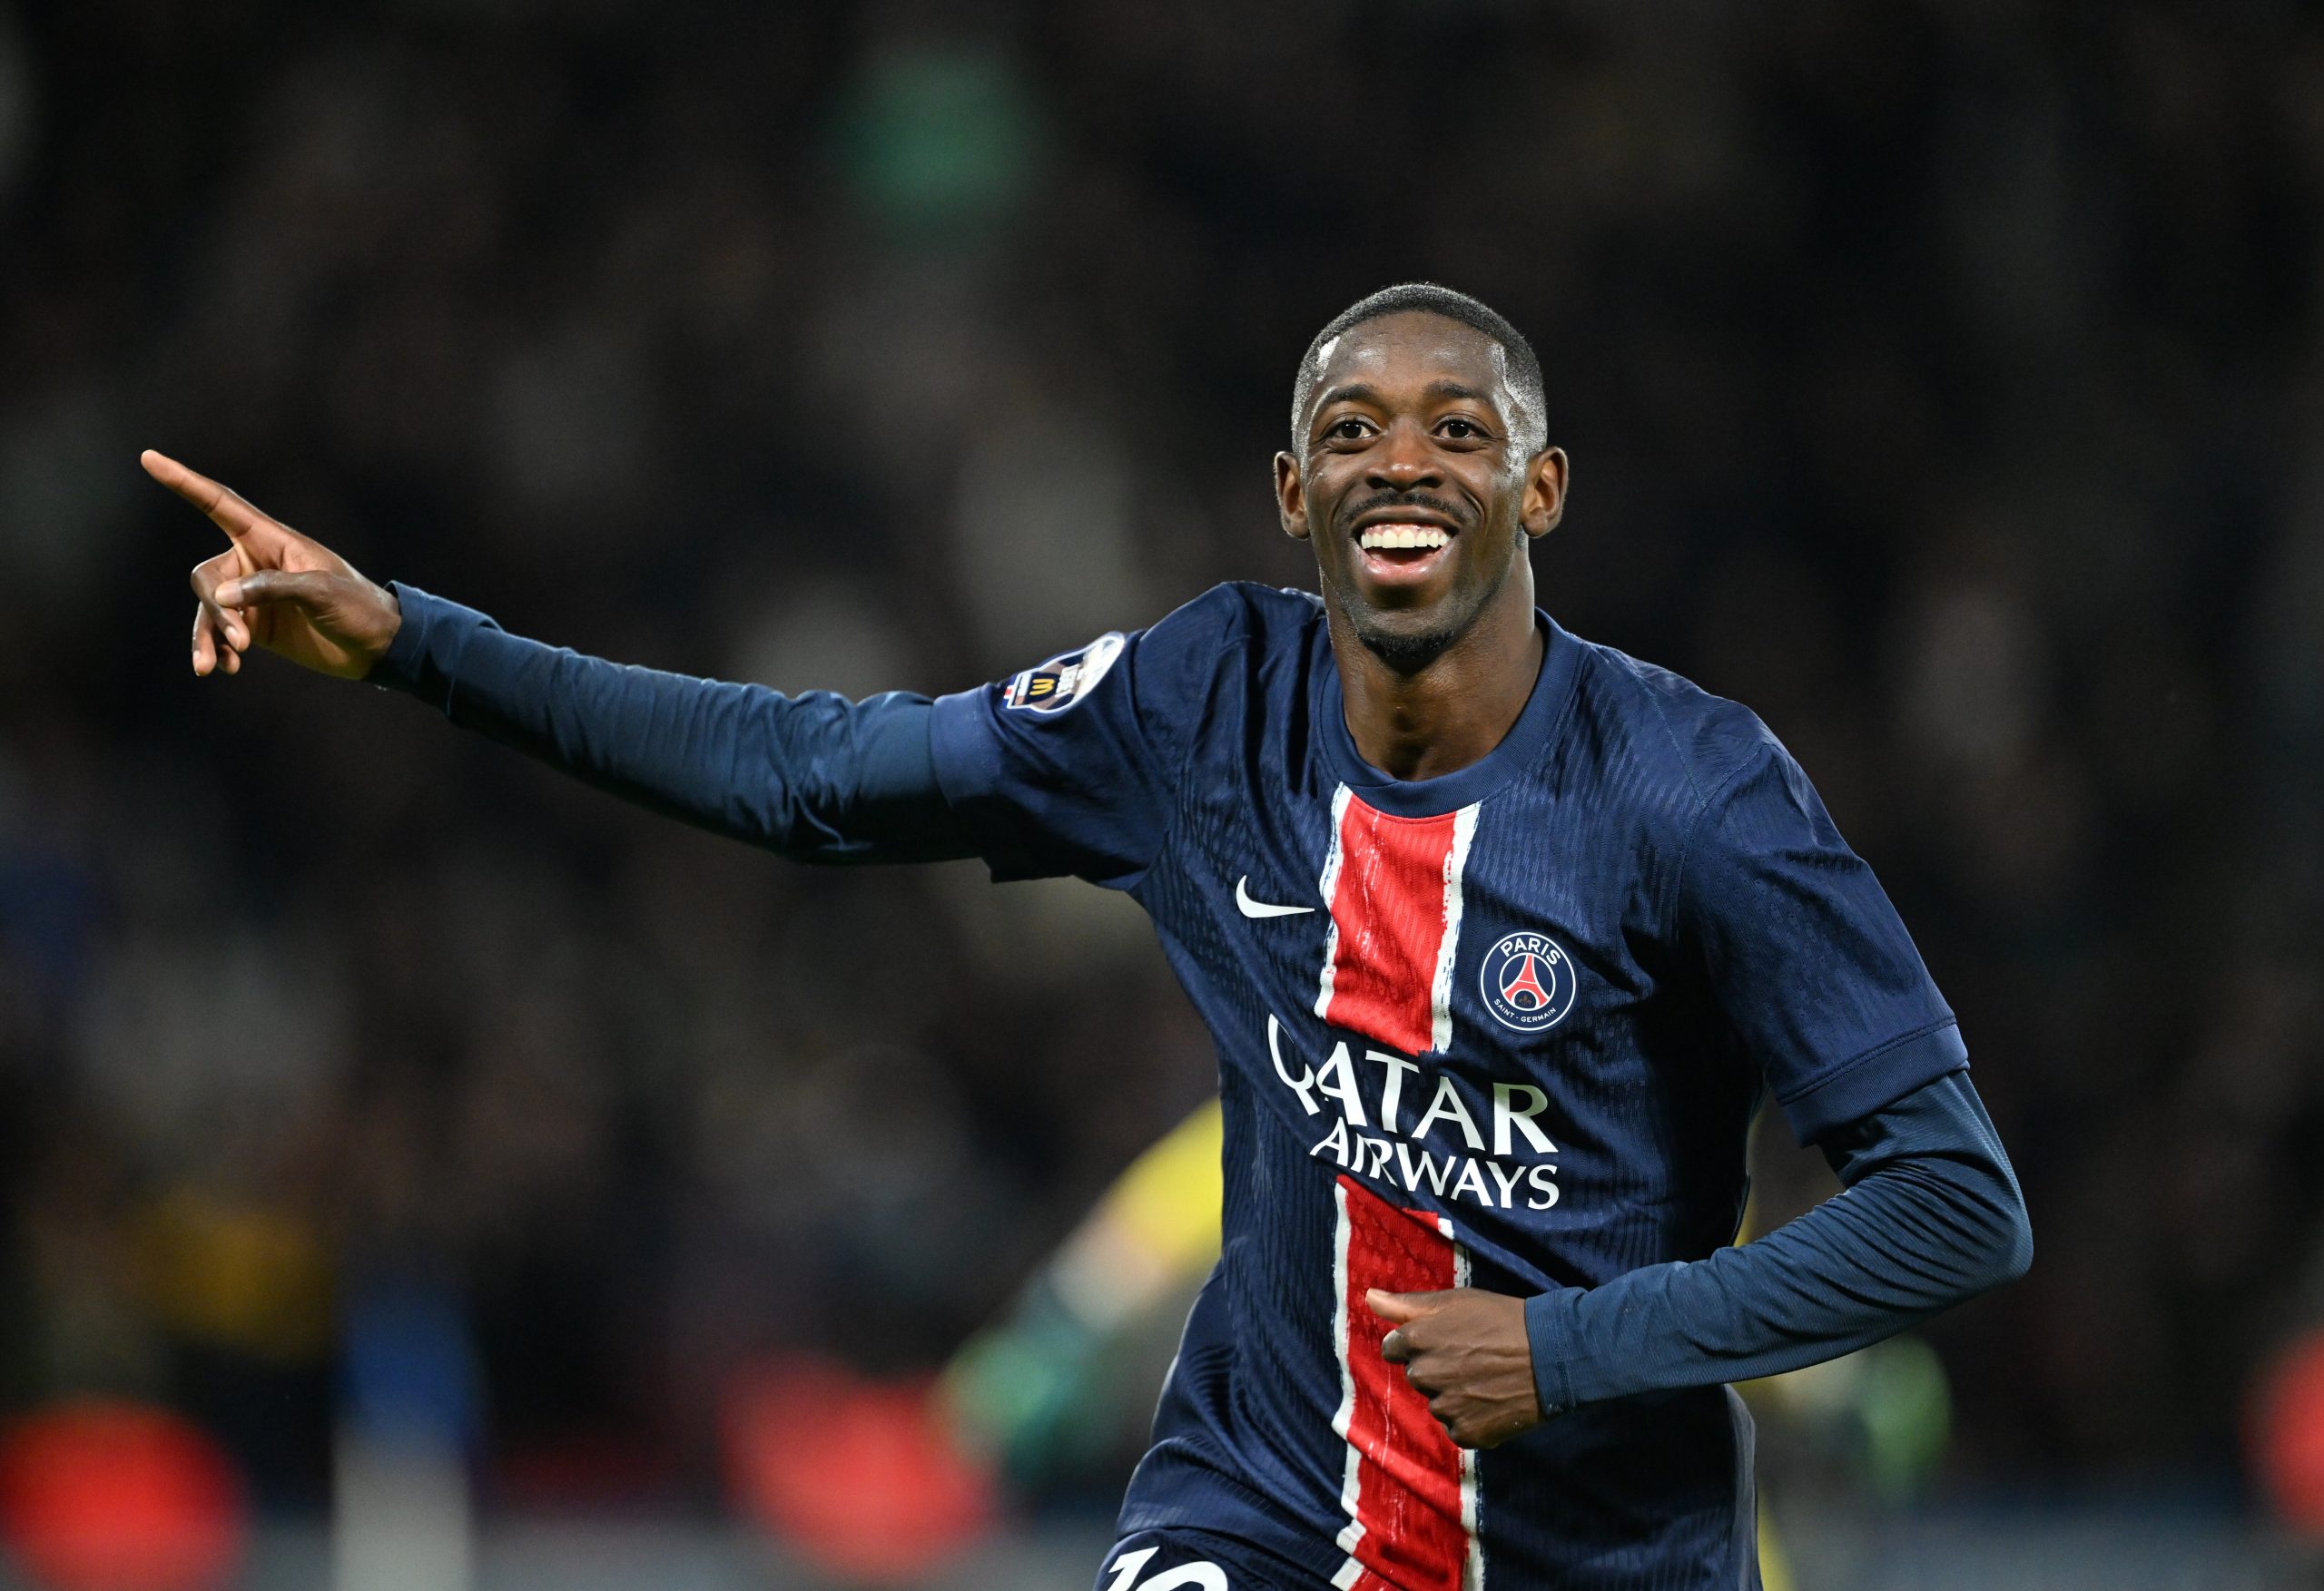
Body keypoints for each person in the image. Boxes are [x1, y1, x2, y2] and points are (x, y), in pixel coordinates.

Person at [147, 282, 2031, 1590]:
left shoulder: (1690, 796)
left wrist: (1574, 1346)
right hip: (1268, 1506)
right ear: (1293, 493)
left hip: (1606, 1552)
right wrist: (418, 646)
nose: (1401, 465)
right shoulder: (1193, 702)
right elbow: (814, 776)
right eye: (1349, 431)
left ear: (1535, 491)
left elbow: (1954, 1202)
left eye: (1457, 433)